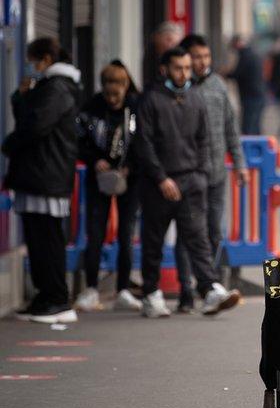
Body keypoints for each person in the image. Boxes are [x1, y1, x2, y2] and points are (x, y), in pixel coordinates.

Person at [132, 47, 241, 318]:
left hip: (191, 180)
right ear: (164, 69)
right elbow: (143, 143)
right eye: (178, 68)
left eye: (186, 68)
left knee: (198, 239)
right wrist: (161, 178)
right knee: (153, 240)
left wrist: (200, 174)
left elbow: (204, 139)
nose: (183, 73)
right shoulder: (151, 100)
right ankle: (151, 293)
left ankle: (210, 289)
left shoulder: (195, 97)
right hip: (159, 184)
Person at [4, 37, 80, 323]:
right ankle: (45, 296)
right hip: (40, 174)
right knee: (38, 240)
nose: (30, 66)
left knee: (47, 240)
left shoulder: (57, 88)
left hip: (46, 174)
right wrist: (21, 98)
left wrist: (9, 144)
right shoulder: (51, 87)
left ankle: (57, 298)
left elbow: (35, 126)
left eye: (33, 60)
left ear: (46, 59)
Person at [172, 34, 247, 313]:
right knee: (188, 233)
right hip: (190, 176)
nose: (202, 62)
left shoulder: (218, 86)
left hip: (216, 176)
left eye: (206, 57)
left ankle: (210, 287)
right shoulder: (180, 90)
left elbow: (231, 128)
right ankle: (185, 290)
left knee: (214, 231)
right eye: (196, 57)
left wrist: (239, 164)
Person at [74, 60, 143, 313]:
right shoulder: (92, 107)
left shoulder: (136, 108)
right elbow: (78, 139)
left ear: (126, 88)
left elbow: (144, 141)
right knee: (95, 233)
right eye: (107, 93)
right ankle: (91, 288)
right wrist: (95, 160)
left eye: (117, 93)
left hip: (130, 179)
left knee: (126, 235)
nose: (112, 99)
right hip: (99, 179)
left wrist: (130, 167)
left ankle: (123, 289)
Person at [227, 35, 267, 135]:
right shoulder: (252, 54)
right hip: (257, 94)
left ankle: (251, 149)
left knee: (248, 127)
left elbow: (238, 73)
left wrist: (225, 74)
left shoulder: (246, 56)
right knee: (255, 126)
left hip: (251, 96)